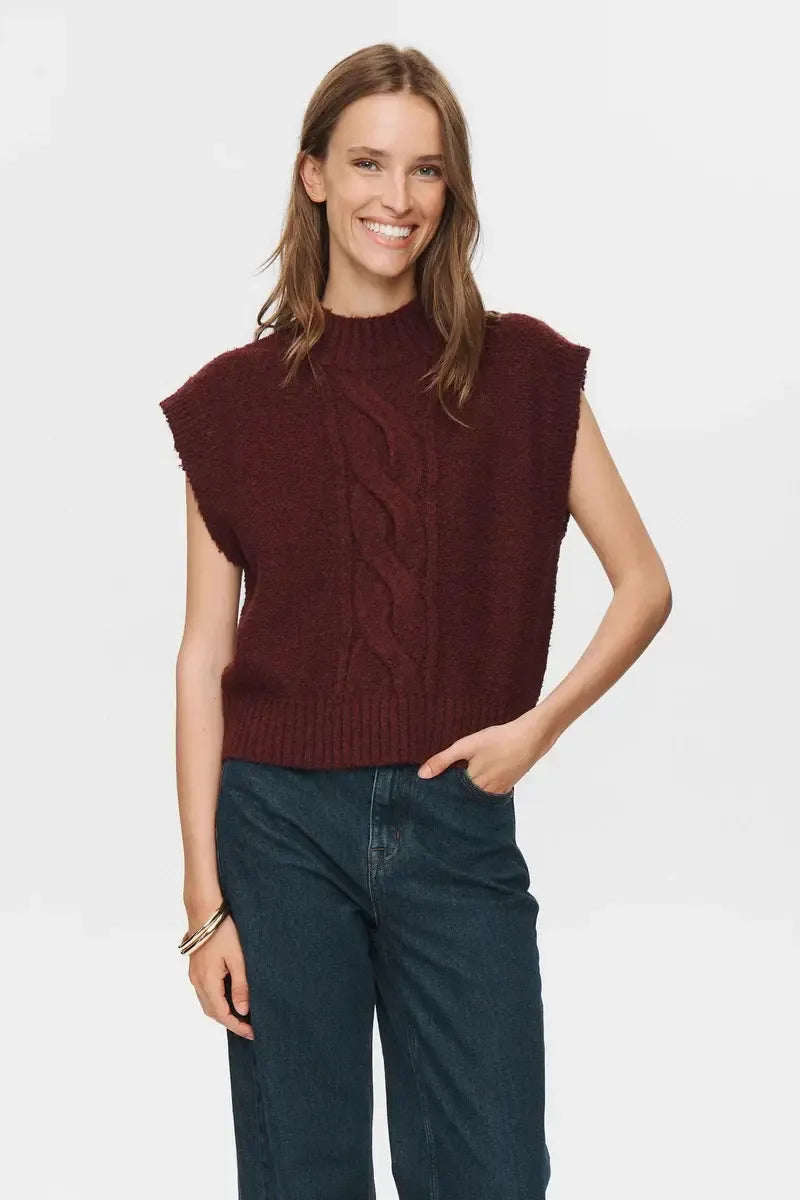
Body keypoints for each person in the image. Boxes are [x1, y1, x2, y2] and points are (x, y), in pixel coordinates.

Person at [159, 42, 672, 1200]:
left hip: (455, 822)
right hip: (277, 829)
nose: (396, 197)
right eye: (367, 163)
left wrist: (535, 729)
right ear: (312, 177)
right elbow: (204, 654)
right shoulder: (229, 406)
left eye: (425, 169)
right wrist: (202, 903)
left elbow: (642, 583)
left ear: (452, 189)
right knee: (304, 1175)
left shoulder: (525, 375)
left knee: (492, 1172)